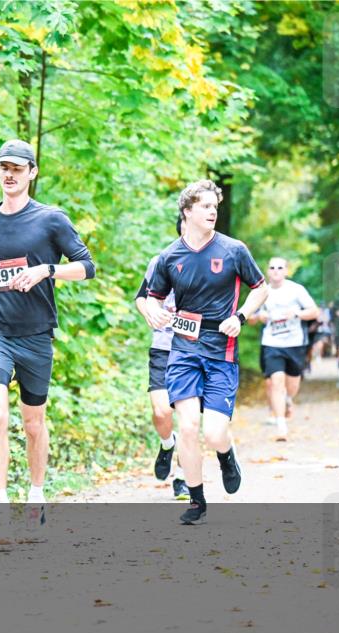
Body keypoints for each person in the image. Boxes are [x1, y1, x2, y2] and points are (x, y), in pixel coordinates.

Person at [0, 139, 95, 540]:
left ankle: (36, 494)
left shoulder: (51, 219)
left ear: (32, 173)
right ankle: (0, 511)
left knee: (33, 424)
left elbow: (87, 267)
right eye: (4, 167)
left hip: (36, 336)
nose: (9, 174)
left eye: (17, 168)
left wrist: (46, 272)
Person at [146, 179, 268, 525]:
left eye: (215, 206)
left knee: (213, 433)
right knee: (187, 427)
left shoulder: (233, 250)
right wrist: (154, 311)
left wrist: (240, 316)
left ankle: (227, 456)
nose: (212, 211)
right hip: (183, 351)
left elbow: (260, 289)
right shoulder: (170, 257)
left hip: (221, 350)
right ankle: (196, 500)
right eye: (205, 206)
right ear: (187, 211)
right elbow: (153, 297)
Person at [134, 219, 187, 501]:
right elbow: (142, 298)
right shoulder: (161, 261)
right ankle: (168, 444)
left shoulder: (215, 262)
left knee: (189, 419)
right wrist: (150, 314)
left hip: (195, 350)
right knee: (161, 411)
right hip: (163, 347)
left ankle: (182, 477)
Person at [249, 257, 318, 441]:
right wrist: (259, 316)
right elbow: (249, 316)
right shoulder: (262, 291)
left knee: (292, 385)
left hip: (295, 343)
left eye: (280, 267)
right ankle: (281, 426)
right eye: (272, 267)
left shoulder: (296, 290)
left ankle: (288, 400)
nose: (276, 271)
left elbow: (314, 311)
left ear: (286, 271)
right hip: (272, 343)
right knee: (276, 382)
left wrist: (296, 313)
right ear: (268, 271)